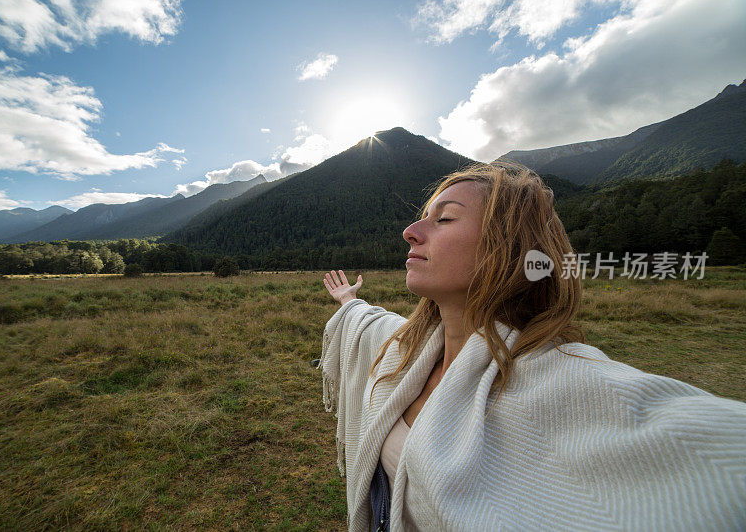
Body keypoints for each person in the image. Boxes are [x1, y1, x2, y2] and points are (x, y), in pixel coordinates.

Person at [319, 162, 746, 531]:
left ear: (509, 248)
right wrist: (350, 303)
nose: (410, 232)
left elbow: (713, 452)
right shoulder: (404, 350)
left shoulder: (566, 381)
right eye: (423, 217)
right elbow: (373, 324)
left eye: (444, 219)